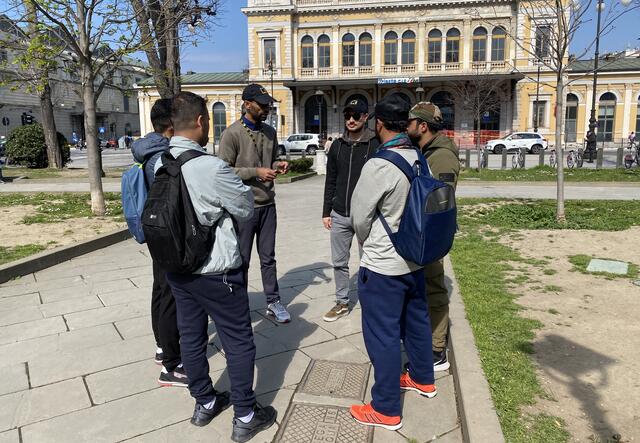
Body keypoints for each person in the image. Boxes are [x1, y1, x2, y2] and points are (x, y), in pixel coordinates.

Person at [161, 92, 277, 441]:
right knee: (239, 340)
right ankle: (244, 414)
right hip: (216, 270)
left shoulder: (158, 162)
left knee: (192, 339)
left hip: (179, 270)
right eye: (208, 120)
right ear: (200, 121)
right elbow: (244, 207)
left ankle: (204, 403)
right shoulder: (210, 167)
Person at [349, 94, 436, 431]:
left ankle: (386, 408)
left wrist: (367, 244)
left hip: (384, 264)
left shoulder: (379, 164)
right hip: (415, 258)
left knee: (382, 334)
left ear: (379, 123)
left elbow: (359, 217)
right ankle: (422, 378)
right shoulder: (418, 157)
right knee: (416, 319)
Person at [218, 84, 291, 323]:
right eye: (261, 104)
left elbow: (274, 158)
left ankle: (273, 301)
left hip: (268, 205)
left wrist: (280, 164)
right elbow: (224, 171)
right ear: (247, 104)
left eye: (268, 104)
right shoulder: (232, 133)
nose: (267, 108)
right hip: (243, 208)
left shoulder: (270, 132)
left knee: (268, 257)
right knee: (242, 259)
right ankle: (238, 306)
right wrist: (255, 172)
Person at [130, 98, 187, 387]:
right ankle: (172, 366)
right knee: (169, 295)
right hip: (166, 232)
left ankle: (162, 346)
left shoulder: (147, 151)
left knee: (160, 289)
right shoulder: (161, 158)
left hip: (153, 230)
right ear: (171, 124)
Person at [407, 102, 460, 372]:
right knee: (422, 288)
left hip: (430, 235)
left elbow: (438, 200)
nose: (406, 127)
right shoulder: (425, 150)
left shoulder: (441, 156)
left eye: (410, 122)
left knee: (434, 288)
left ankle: (436, 350)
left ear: (422, 126)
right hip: (420, 233)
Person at [321, 98, 379, 322]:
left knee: (369, 261)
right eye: (347, 116)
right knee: (339, 262)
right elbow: (331, 181)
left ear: (365, 117)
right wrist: (326, 212)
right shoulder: (337, 145)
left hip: (366, 216)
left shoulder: (375, 144)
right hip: (339, 213)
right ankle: (342, 302)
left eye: (356, 115)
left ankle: (370, 302)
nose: (351, 120)